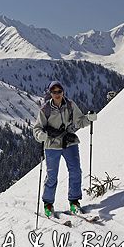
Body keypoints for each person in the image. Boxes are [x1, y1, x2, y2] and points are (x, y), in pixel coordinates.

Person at [33, 80, 97, 217]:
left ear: (63, 92)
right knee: (52, 176)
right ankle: (48, 204)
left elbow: (79, 121)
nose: (57, 94)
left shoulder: (70, 105)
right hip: (51, 144)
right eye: (54, 92)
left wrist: (89, 118)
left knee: (75, 171)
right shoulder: (45, 109)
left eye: (59, 91)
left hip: (69, 142)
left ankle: (74, 202)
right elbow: (37, 128)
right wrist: (40, 135)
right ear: (50, 93)